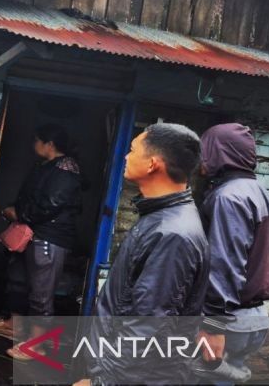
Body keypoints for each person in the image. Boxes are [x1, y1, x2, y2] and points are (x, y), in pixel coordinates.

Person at [75, 123, 210, 386]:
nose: (126, 156)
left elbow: (149, 324)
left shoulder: (173, 234)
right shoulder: (161, 218)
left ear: (152, 164)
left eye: (133, 149)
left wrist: (104, 381)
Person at [194, 124, 269, 385]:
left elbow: (225, 264)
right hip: (254, 320)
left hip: (226, 322)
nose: (201, 158)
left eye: (205, 150)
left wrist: (212, 325)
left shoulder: (228, 197)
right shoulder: (266, 197)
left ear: (218, 152)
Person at [0, 124, 82, 360]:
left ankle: (38, 345)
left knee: (41, 293)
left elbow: (50, 204)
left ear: (49, 144)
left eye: (37, 140)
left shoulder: (66, 168)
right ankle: (14, 325)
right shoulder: (45, 166)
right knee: (17, 279)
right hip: (31, 233)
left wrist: (20, 214)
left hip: (50, 236)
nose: (34, 144)